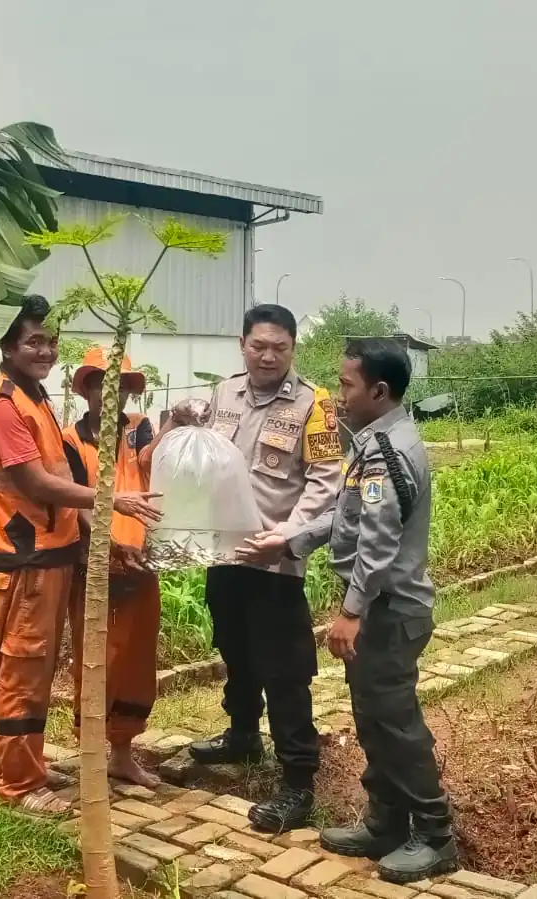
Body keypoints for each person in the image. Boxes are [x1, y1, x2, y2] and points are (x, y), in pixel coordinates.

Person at [238, 337, 459, 884]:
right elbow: (344, 513)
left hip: (388, 609)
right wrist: (289, 542)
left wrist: (353, 610)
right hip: (380, 608)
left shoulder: (386, 449)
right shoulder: (375, 439)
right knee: (374, 720)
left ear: (379, 391)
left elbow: (379, 543)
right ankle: (385, 822)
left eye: (347, 385)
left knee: (396, 724)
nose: (338, 394)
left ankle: (434, 834)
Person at [0, 296, 162, 813]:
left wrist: (105, 536)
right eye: (34, 340)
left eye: (52, 341)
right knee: (24, 666)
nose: (46, 350)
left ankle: (29, 765)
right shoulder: (6, 405)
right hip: (25, 555)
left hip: (56, 553)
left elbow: (60, 481)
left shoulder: (36, 399)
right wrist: (110, 500)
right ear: (7, 345)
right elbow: (35, 482)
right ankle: (18, 783)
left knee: (39, 666)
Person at [187, 304, 342, 833]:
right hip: (225, 554)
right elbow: (203, 460)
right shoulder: (223, 394)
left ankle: (298, 779)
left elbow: (325, 481)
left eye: (280, 347)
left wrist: (287, 539)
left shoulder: (315, 404)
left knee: (286, 668)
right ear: (243, 344)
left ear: (293, 348)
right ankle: (242, 735)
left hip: (275, 563)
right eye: (260, 346)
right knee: (234, 649)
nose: (269, 356)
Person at [62, 347, 164, 789]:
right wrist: (106, 542)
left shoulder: (139, 430)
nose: (114, 393)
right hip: (95, 563)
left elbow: (152, 466)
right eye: (103, 384)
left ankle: (123, 754)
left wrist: (175, 427)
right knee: (95, 659)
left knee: (137, 658)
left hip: (140, 561)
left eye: (121, 386)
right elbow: (76, 498)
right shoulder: (71, 439)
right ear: (86, 389)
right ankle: (91, 757)